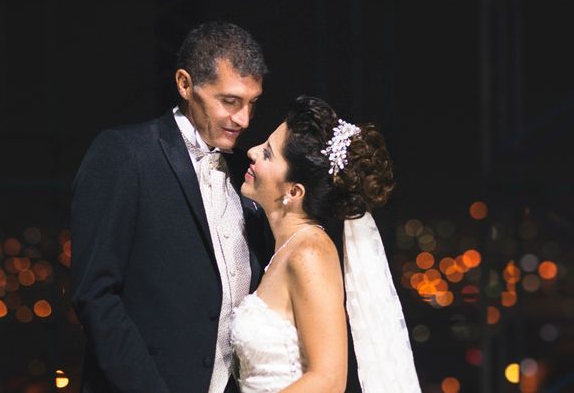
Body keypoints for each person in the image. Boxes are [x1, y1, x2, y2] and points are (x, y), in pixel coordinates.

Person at [71, 21, 270, 393]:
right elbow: (95, 295)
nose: (243, 119)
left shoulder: (249, 173)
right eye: (229, 101)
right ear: (184, 84)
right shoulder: (125, 154)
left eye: (251, 104)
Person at [231, 96, 421, 393]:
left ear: (294, 191)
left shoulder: (310, 254)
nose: (252, 151)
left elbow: (328, 381)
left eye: (268, 154)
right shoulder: (285, 248)